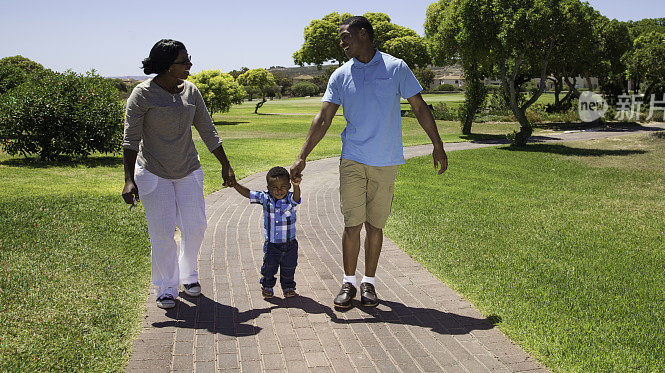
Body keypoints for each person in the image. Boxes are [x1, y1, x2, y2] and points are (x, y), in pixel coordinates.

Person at [290, 15, 447, 310]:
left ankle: (369, 284)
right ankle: (348, 282)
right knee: (352, 224)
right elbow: (324, 118)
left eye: (345, 36)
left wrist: (437, 145)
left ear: (363, 34)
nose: (342, 42)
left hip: (386, 160)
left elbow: (420, 107)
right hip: (352, 157)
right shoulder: (340, 75)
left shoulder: (396, 67)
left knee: (375, 225)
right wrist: (302, 156)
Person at [121, 39, 236, 309]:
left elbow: (207, 130)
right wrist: (128, 179)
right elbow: (130, 140)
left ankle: (188, 275)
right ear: (166, 66)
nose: (190, 65)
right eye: (184, 61)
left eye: (189, 59)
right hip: (153, 172)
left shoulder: (191, 91)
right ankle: (166, 286)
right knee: (161, 232)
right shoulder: (142, 94)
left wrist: (225, 164)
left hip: (188, 169)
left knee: (195, 227)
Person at [232, 166, 301, 299]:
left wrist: (296, 185)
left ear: (288, 186)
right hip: (272, 245)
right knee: (269, 267)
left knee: (289, 268)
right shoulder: (265, 198)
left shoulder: (290, 199)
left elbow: (297, 197)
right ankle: (267, 286)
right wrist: (235, 184)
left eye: (283, 187)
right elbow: (249, 193)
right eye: (274, 187)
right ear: (268, 187)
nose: (279, 190)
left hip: (290, 244)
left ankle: (288, 287)